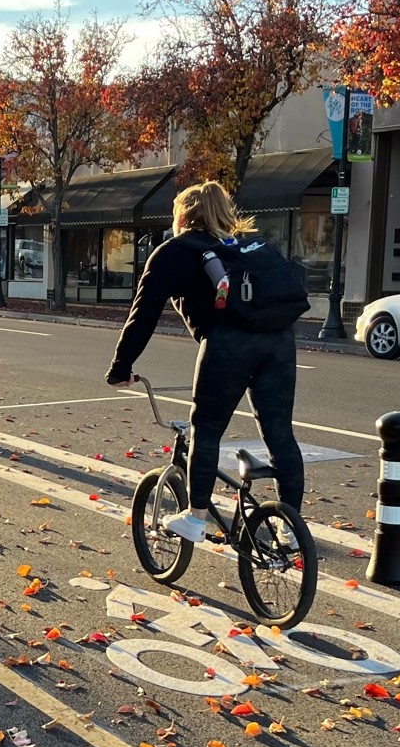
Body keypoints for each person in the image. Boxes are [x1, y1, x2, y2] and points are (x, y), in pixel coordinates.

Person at [105, 181, 305, 542]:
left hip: (229, 345)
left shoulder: (174, 251)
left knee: (206, 429)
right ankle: (289, 526)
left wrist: (121, 367)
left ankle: (195, 518)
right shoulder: (246, 247)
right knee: (280, 434)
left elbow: (143, 315)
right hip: (279, 342)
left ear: (182, 215)